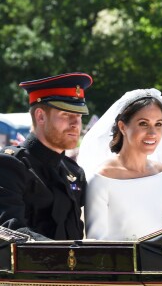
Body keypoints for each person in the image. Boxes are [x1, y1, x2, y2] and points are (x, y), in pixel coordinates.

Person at [78, 88, 162, 241]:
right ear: (122, 127)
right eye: (143, 123)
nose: (153, 133)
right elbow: (96, 243)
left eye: (158, 124)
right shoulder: (101, 179)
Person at [0, 72, 93, 241]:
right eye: (66, 115)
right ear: (40, 116)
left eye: (79, 116)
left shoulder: (74, 173)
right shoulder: (9, 165)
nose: (75, 124)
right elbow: (9, 230)